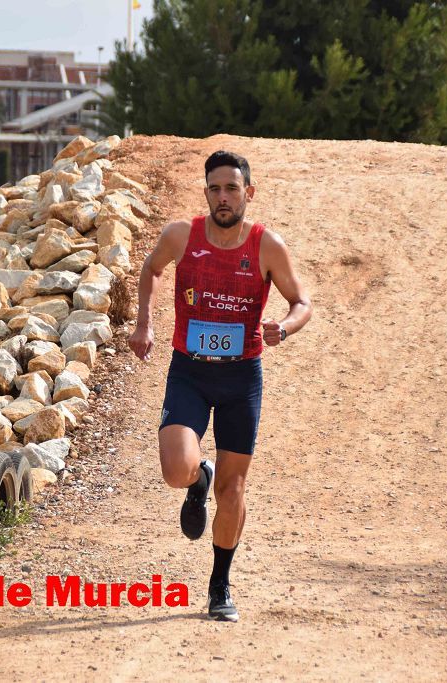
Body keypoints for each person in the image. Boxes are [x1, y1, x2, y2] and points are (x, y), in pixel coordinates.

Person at [129, 150, 313, 622]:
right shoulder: (181, 235)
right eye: (215, 188)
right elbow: (150, 270)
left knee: (233, 492)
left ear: (249, 193)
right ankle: (197, 478)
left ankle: (219, 585)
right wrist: (144, 326)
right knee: (175, 471)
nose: (223, 197)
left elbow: (302, 302)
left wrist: (285, 328)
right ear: (206, 192)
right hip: (189, 371)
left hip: (241, 378)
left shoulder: (267, 245)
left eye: (232, 188)